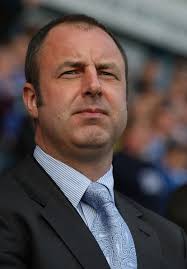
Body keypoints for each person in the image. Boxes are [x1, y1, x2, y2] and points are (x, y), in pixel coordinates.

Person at [0, 14, 186, 269]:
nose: (94, 85)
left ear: (125, 99)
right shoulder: (7, 211)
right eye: (71, 72)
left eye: (107, 73)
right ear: (33, 100)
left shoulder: (171, 241)